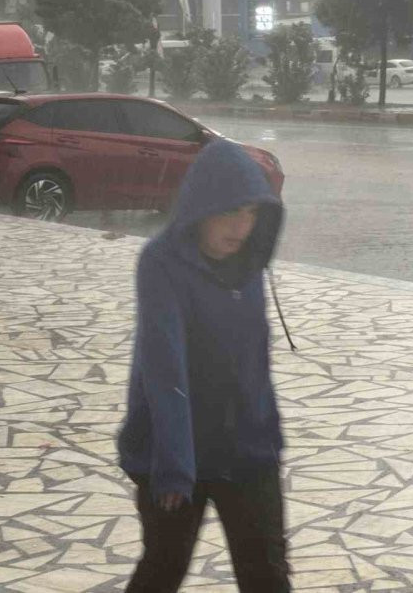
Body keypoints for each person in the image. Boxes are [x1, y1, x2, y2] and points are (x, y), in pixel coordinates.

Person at [117, 139, 289, 592]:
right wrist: (174, 465)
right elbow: (163, 363)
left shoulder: (248, 264)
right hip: (175, 451)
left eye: (252, 213)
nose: (242, 227)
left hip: (246, 450)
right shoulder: (161, 262)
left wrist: (268, 436)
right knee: (162, 569)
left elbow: (255, 359)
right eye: (231, 212)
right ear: (202, 209)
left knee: (267, 576)